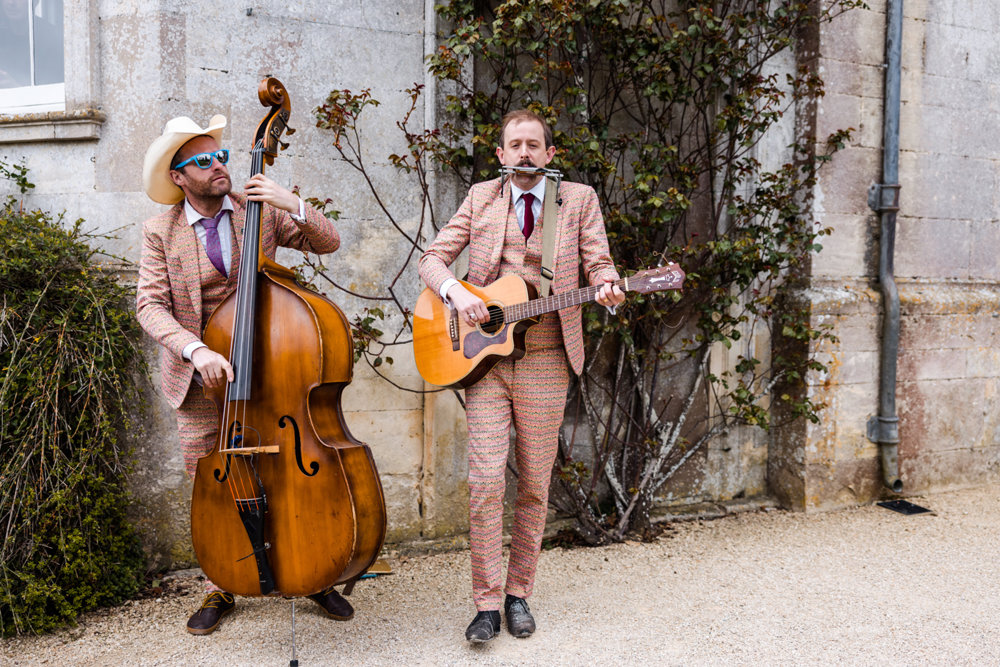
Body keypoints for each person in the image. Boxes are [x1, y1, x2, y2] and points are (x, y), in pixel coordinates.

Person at [136, 114, 355, 635]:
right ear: (178, 177)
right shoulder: (158, 232)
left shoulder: (256, 210)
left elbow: (329, 242)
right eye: (203, 161)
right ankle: (221, 582)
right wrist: (194, 349)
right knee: (214, 481)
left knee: (285, 473)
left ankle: (310, 571)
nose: (218, 166)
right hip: (199, 380)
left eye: (221, 156)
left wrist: (290, 203)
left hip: (272, 368)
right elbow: (149, 306)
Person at [418, 109, 625, 642]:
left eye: (535, 144)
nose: (525, 152)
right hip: (485, 359)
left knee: (534, 482)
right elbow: (433, 260)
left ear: (550, 154)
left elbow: (599, 262)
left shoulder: (578, 201)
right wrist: (458, 293)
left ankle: (518, 596)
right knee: (485, 481)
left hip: (549, 358)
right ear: (502, 154)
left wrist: (607, 284)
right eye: (516, 145)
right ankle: (485, 603)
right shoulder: (481, 197)